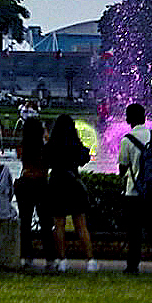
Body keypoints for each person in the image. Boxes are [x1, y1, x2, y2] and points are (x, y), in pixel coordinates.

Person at [117, 103, 152, 276]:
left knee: (134, 232)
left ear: (128, 119)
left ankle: (132, 266)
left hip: (134, 192)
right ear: (145, 118)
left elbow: (123, 168)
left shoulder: (127, 140)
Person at [45, 113, 97, 273]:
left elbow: (46, 160)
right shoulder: (75, 144)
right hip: (73, 182)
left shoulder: (51, 145)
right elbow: (85, 158)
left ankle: (62, 260)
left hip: (56, 182)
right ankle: (90, 261)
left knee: (58, 225)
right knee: (81, 225)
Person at [15, 117, 53, 267]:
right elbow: (49, 161)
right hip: (42, 184)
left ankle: (27, 256)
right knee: (45, 222)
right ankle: (50, 258)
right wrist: (47, 137)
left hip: (25, 183)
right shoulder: (45, 148)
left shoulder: (23, 146)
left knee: (25, 221)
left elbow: (20, 157)